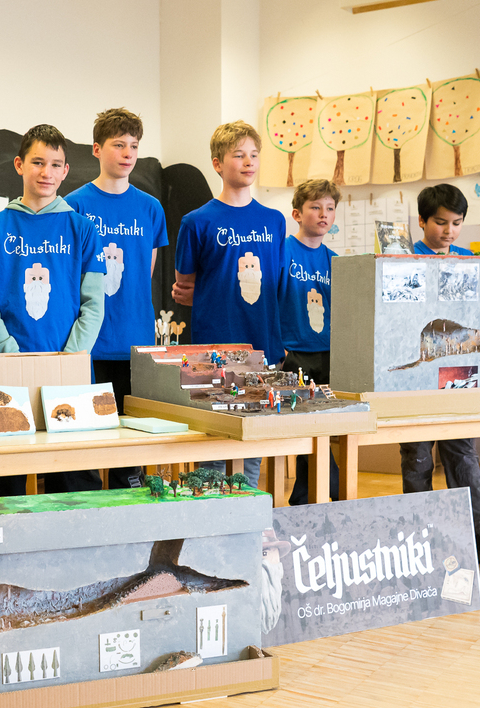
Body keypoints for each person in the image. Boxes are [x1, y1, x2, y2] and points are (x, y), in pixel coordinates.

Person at [0, 124, 106, 496]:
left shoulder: (82, 229)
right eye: (38, 162)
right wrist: (11, 357)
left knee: (76, 480)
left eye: (55, 164)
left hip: (70, 372)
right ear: (19, 165)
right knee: (10, 479)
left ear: (65, 171)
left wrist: (69, 358)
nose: (46, 172)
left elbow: (94, 304)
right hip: (9, 373)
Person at [403, 184, 480, 568]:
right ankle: (420, 535)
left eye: (456, 223)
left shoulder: (470, 261)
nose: (449, 231)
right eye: (440, 222)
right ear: (422, 221)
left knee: (463, 452)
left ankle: (479, 531)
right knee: (418, 456)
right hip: (417, 378)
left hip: (459, 374)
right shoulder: (403, 258)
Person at [173, 120, 287, 488]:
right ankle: (211, 508)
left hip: (263, 346)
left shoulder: (274, 220)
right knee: (215, 437)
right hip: (216, 349)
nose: (248, 162)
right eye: (239, 155)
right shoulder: (196, 221)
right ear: (218, 164)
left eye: (254, 154)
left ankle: (246, 506)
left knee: (253, 439)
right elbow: (184, 284)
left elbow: (275, 283)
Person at [64, 108, 168, 489]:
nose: (128, 153)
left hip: (136, 343)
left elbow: (145, 271)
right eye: (118, 145)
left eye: (134, 146)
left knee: (130, 448)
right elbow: (69, 276)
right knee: (87, 439)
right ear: (97, 149)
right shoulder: (74, 205)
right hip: (88, 343)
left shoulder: (151, 208)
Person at [279, 178, 341, 505]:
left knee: (322, 429)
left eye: (330, 208)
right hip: (294, 354)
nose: (323, 214)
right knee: (307, 428)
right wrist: (279, 348)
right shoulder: (282, 251)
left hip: (329, 355)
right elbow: (270, 301)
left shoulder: (335, 260)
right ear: (297, 214)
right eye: (315, 207)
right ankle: (337, 491)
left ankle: (303, 499)